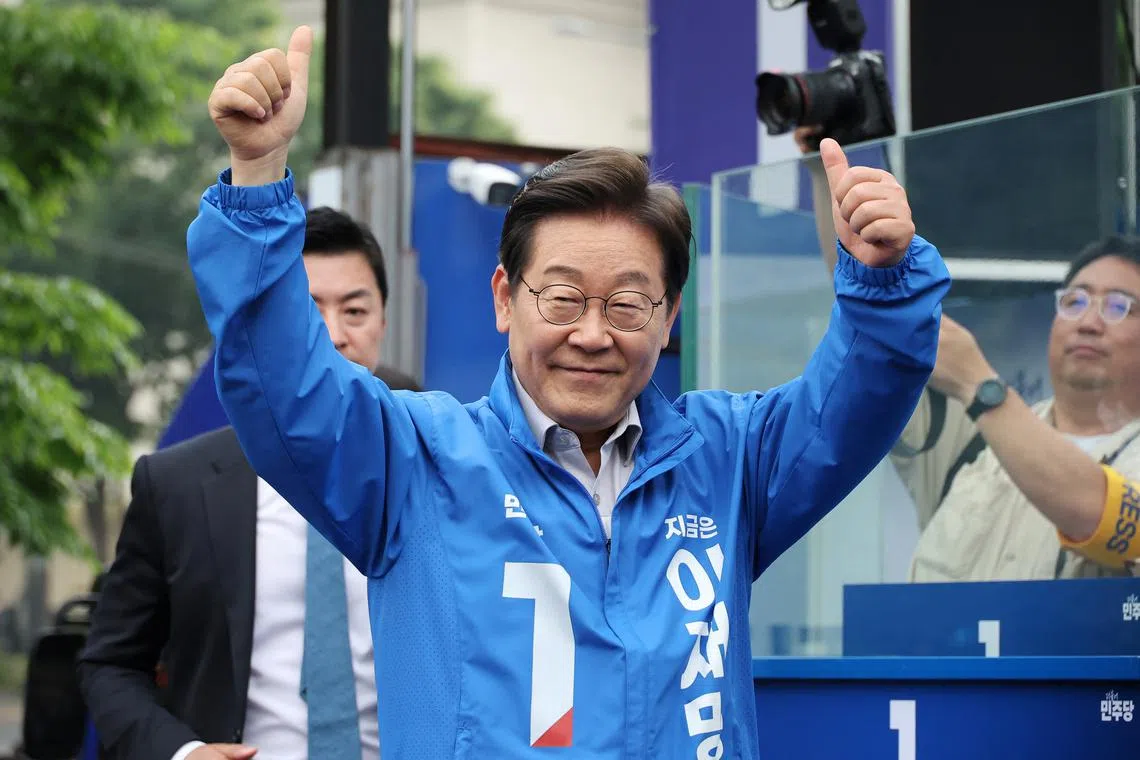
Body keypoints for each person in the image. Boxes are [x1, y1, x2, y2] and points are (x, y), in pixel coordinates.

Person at [185, 27, 950, 758]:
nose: (592, 333)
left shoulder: (730, 460)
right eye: (560, 298)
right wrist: (258, 174)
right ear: (502, 300)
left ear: (668, 314)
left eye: (626, 304)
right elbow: (282, 383)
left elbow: (857, 401)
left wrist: (882, 282)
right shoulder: (410, 459)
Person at [77, 206, 415, 760]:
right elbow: (109, 664)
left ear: (382, 320)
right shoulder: (177, 485)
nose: (333, 335)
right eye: (305, 311)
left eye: (355, 310)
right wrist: (182, 753)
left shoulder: (433, 469)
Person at [796, 127, 1140, 580]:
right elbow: (872, 318)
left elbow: (1100, 514)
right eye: (1075, 300)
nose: (1089, 321)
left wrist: (979, 383)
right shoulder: (971, 442)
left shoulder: (981, 401)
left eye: (1118, 306)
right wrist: (829, 174)